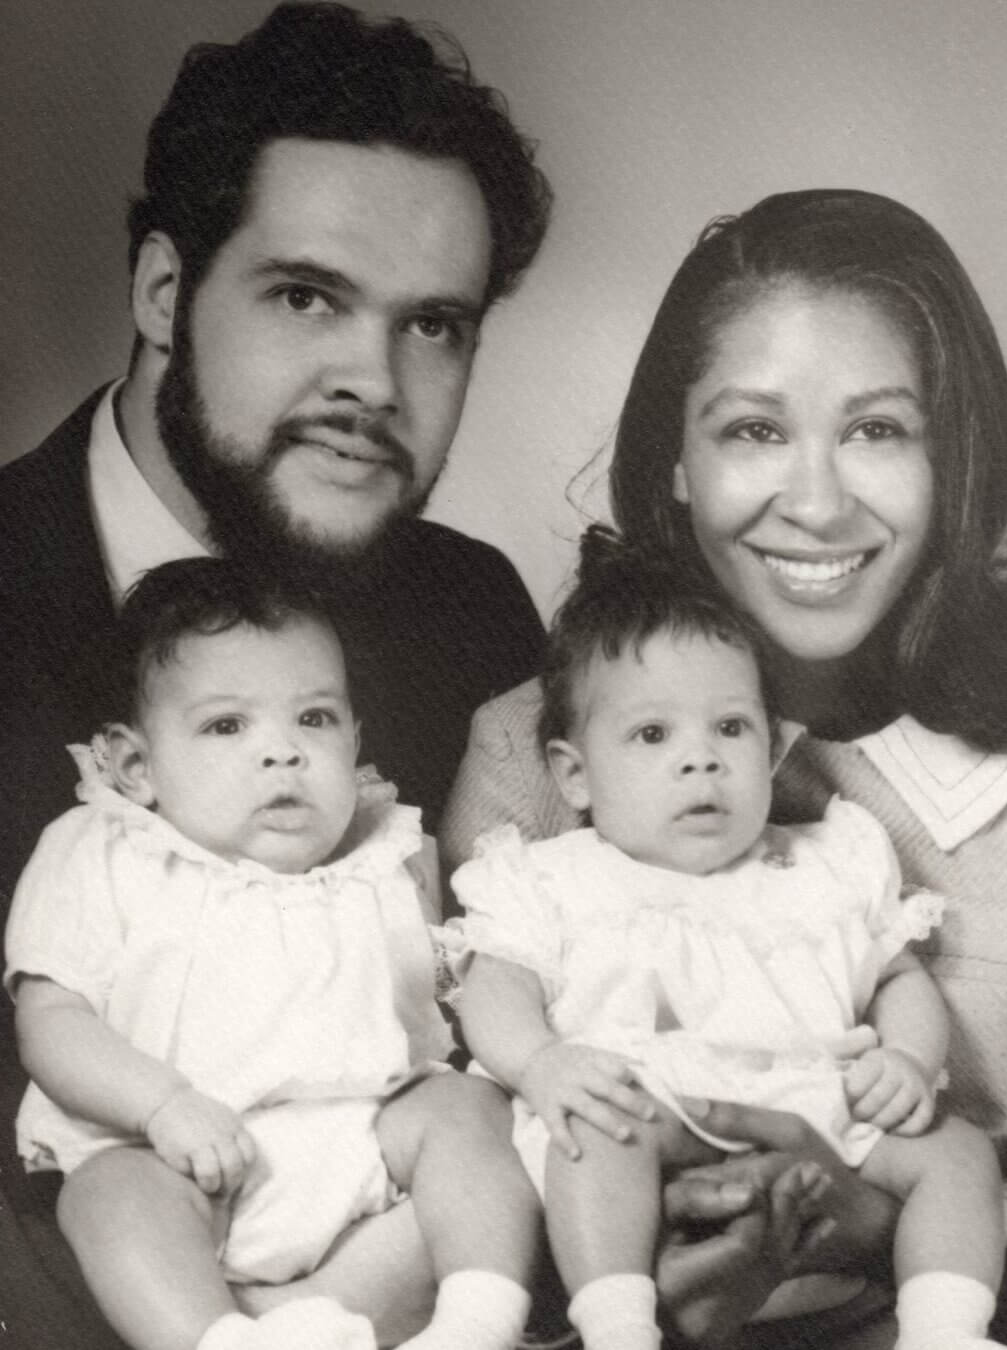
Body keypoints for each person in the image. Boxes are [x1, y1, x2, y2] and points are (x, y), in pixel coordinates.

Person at [440, 190, 1007, 1349]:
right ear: (672, 460)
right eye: (753, 430)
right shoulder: (530, 746)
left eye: (877, 430)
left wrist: (868, 1227)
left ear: (955, 460)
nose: (815, 506)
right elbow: (456, 1113)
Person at [0, 5, 550, 1345]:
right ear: (163, 292)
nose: (372, 378)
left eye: (434, 326)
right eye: (306, 296)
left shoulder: (473, 606)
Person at [453, 532, 1007, 1350]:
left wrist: (905, 1060)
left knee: (957, 1151)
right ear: (573, 775)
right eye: (652, 736)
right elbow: (492, 986)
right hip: (648, 1116)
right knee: (589, 1134)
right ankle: (617, 1325)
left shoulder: (825, 864)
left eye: (729, 729)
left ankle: (946, 1332)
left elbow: (896, 980)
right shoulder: (550, 879)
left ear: (773, 743)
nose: (700, 763)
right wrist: (541, 1063)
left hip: (821, 1117)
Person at [6, 558, 541, 1350]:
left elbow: (447, 994)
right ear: (135, 765)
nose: (283, 753)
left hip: (370, 1143)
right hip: (174, 1158)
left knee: (469, 1113)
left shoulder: (384, 850)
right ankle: (219, 1341)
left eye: (315, 719)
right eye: (228, 725)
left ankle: (477, 1321)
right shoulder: (103, 849)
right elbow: (51, 1019)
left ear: (355, 736)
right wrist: (162, 1105)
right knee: (105, 1198)